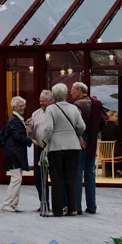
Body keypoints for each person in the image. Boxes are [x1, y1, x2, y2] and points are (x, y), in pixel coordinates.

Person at [43, 82, 86, 216]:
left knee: (57, 179)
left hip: (56, 147)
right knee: (71, 178)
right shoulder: (73, 108)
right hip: (73, 146)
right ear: (66, 94)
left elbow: (48, 128)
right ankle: (73, 208)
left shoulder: (51, 109)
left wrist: (45, 140)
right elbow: (82, 126)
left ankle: (57, 210)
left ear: (54, 96)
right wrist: (75, 134)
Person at [71, 81, 106, 215]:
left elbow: (76, 123)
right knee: (90, 173)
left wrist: (79, 136)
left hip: (82, 138)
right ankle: (92, 206)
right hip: (93, 138)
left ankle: (77, 206)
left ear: (79, 91)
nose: (71, 92)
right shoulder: (95, 103)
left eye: (73, 90)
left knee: (78, 172)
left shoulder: (78, 105)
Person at [0, 96, 29, 212]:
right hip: (13, 153)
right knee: (16, 178)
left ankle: (14, 204)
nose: (23, 107)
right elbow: (17, 136)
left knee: (17, 178)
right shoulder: (15, 120)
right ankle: (7, 204)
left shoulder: (17, 119)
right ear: (14, 107)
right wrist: (31, 141)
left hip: (14, 152)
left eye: (23, 105)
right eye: (20, 106)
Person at [28, 89, 54, 212]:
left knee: (56, 178)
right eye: (40, 101)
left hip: (54, 149)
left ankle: (59, 204)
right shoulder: (36, 113)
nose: (41, 103)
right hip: (41, 149)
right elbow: (30, 130)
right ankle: (44, 203)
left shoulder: (56, 112)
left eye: (43, 101)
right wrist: (26, 126)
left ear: (51, 100)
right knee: (39, 179)